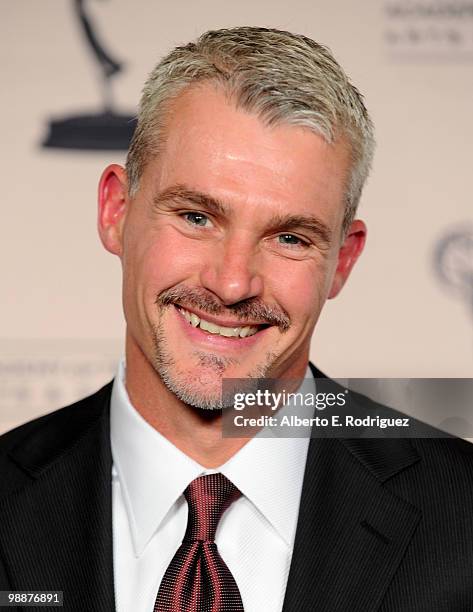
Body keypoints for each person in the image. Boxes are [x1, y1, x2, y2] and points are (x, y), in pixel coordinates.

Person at [1, 26, 472, 612]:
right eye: (197, 217)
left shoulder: (462, 518)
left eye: (291, 238)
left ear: (342, 261)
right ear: (116, 212)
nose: (230, 283)